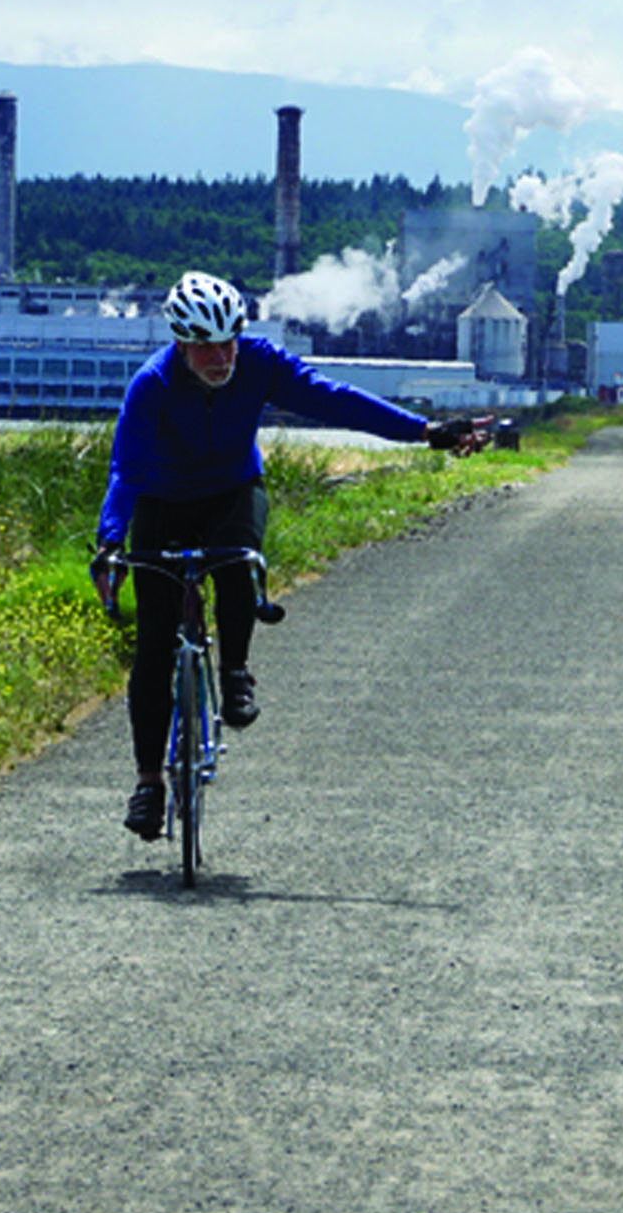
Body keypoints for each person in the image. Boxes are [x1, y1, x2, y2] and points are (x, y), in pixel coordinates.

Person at [93, 270, 488, 840]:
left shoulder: (260, 363)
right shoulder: (150, 385)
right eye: (205, 345)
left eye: (229, 339)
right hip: (161, 499)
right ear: (180, 342)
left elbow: (338, 402)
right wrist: (109, 544)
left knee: (237, 563)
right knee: (154, 645)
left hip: (232, 489)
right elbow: (125, 472)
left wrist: (426, 431)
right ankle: (149, 782)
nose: (220, 356)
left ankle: (234, 673)